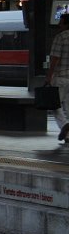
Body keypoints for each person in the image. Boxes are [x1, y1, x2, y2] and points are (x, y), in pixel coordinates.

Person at [46, 13, 69, 144]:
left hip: (61, 76)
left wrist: (49, 76)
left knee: (55, 104)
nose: (59, 25)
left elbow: (55, 58)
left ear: (66, 24)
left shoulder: (60, 37)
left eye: (61, 22)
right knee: (68, 106)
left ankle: (65, 124)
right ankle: (68, 136)